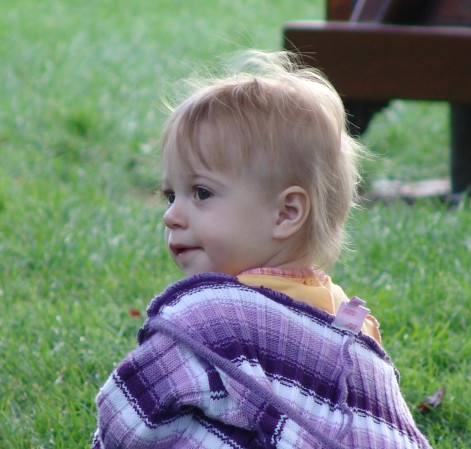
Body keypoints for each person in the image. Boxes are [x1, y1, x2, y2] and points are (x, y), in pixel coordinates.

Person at [92, 50, 432, 449]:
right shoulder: (351, 326)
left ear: (286, 213)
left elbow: (126, 419)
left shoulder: (210, 318)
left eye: (201, 193)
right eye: (171, 195)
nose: (171, 216)